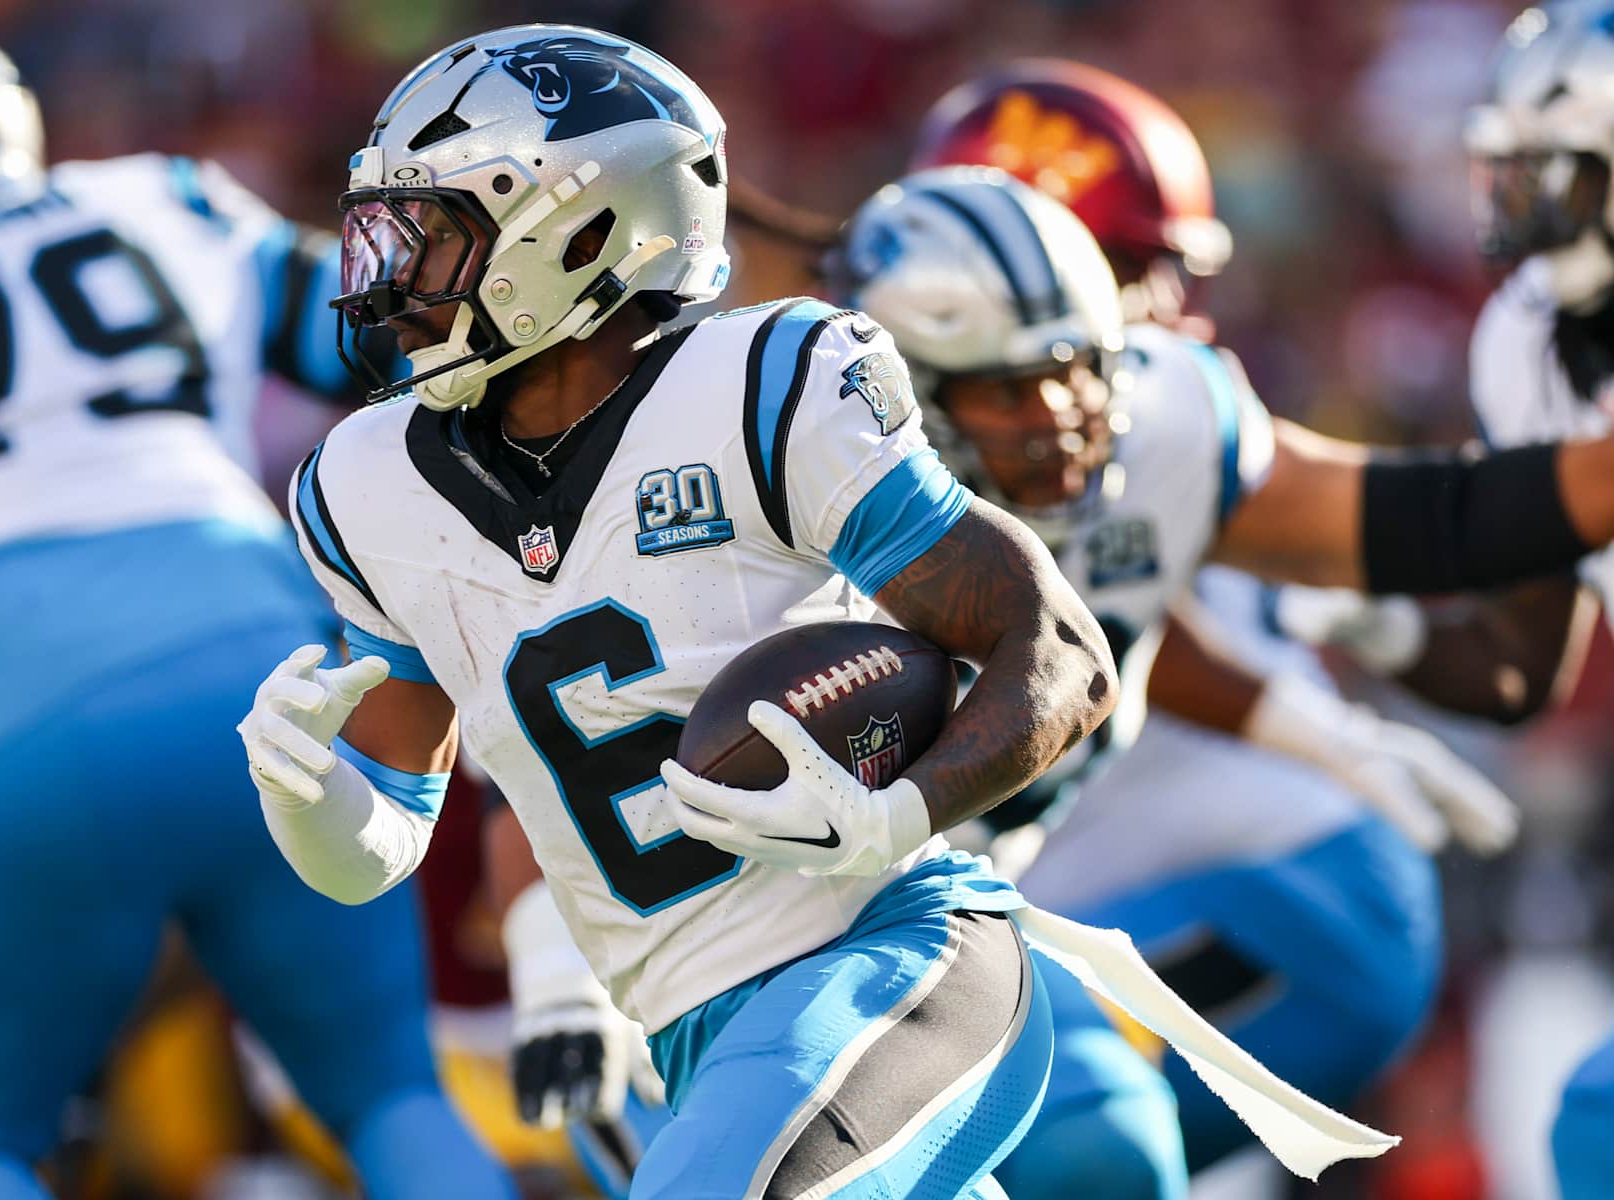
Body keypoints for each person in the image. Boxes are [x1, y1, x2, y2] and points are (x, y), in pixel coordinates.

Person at [239, 24, 1117, 1200]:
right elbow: (385, 841)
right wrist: (308, 798)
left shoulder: (761, 387)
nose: (392, 277)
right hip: (693, 1043)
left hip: (893, 961)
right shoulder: (363, 488)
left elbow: (1057, 650)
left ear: (578, 229)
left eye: (436, 235)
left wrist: (898, 816)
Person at [0, 23, 511, 1199]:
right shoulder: (159, 202)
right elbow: (404, 345)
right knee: (393, 1098)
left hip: (22, 711)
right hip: (277, 668)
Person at [906, 61, 1475, 1181]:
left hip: (1265, 882)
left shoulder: (1118, 424)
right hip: (1237, 885)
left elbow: (1089, 638)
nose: (1159, 308)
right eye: (1125, 266)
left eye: (1151, 269)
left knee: (975, 1118)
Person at [1256, 5, 1614, 1193]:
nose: (1514, 194)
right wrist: (1389, 624)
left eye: (1552, 167)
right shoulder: (1530, 340)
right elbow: (1523, 663)